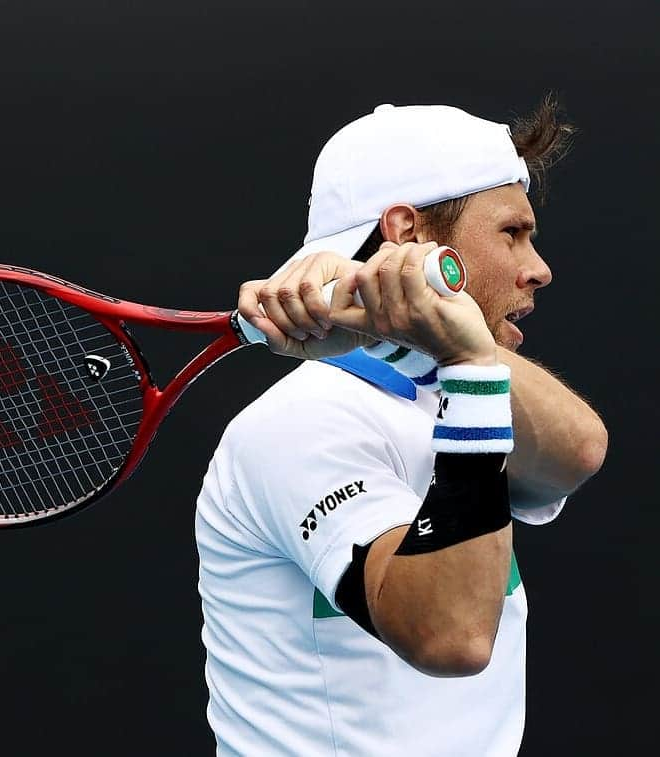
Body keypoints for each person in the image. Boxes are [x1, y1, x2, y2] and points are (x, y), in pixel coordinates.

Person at [196, 99, 608, 756]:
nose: (537, 267)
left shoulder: (435, 381)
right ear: (409, 233)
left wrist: (407, 340)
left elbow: (578, 449)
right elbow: (451, 635)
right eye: (510, 233)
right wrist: (465, 361)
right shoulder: (299, 424)